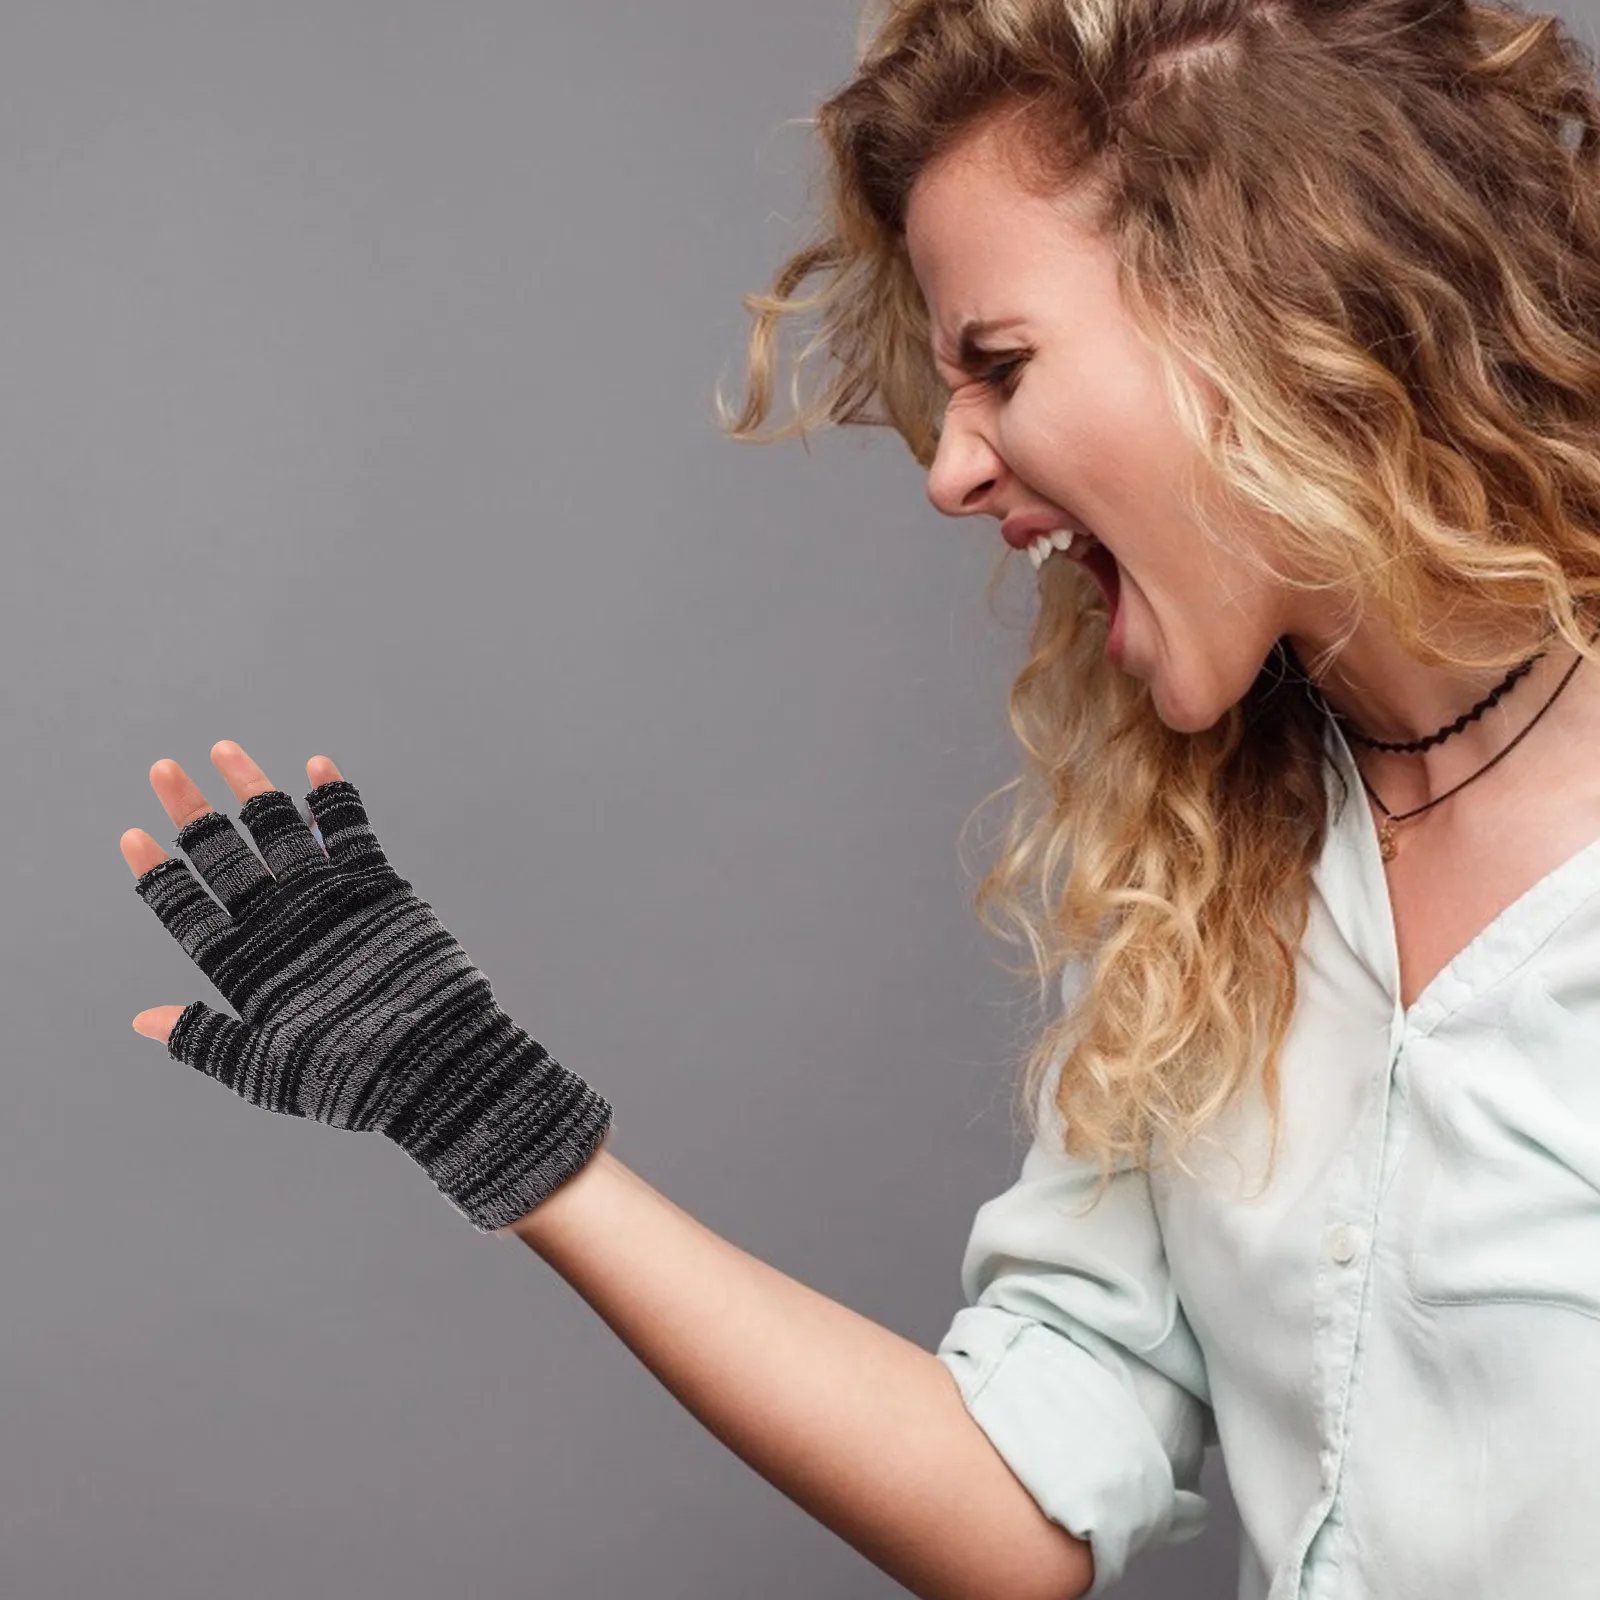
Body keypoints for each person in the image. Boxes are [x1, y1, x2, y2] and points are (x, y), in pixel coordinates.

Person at [119, 1, 1600, 1597]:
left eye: (1005, 365)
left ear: (1287, 311)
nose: (953, 468)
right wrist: (497, 1124)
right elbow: (1023, 1505)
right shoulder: (1215, 883)